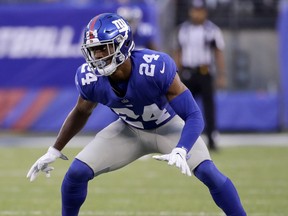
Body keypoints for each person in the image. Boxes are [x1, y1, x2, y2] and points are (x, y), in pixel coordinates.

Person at [26, 13, 246, 216]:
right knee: (75, 174)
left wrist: (182, 148)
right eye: (93, 50)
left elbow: (193, 115)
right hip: (128, 130)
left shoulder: (154, 67)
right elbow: (81, 112)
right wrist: (55, 149)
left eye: (104, 48)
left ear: (122, 45)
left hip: (168, 127)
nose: (97, 56)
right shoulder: (90, 78)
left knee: (208, 172)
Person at [174, 0, 226, 151]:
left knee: (209, 108)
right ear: (190, 11)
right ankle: (181, 139)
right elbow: (178, 52)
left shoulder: (212, 30)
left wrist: (222, 74)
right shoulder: (183, 30)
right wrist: (175, 74)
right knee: (183, 107)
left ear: (205, 12)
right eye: (195, 10)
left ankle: (212, 139)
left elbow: (218, 53)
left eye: (200, 11)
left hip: (205, 72)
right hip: (188, 73)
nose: (197, 14)